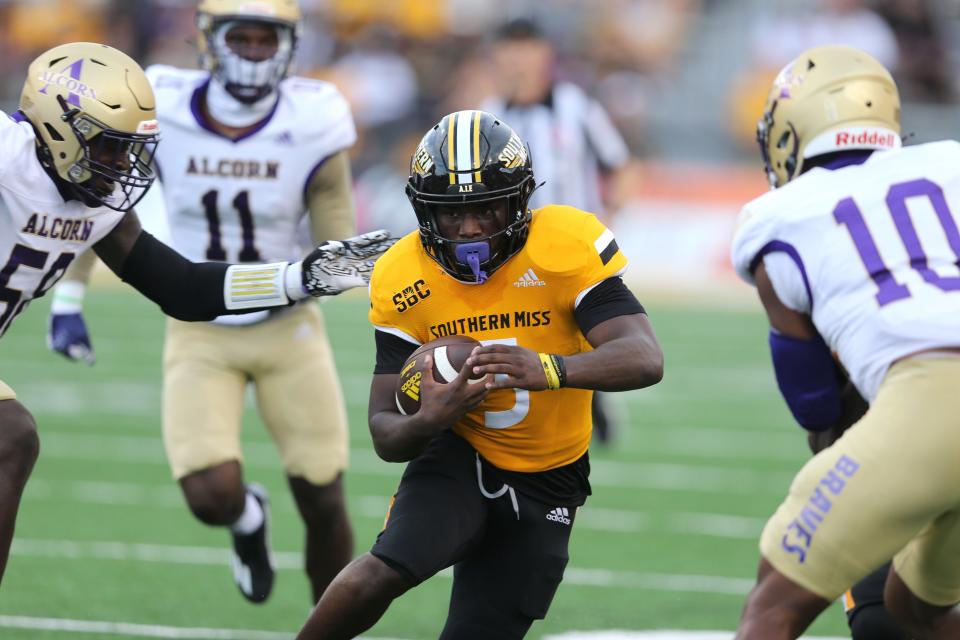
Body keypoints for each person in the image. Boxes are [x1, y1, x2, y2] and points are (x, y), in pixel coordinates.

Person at [0, 41, 392, 589]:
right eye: (110, 147)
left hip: (285, 334)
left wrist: (298, 277)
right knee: (10, 434)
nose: (122, 167)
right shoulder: (8, 154)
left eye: (129, 150)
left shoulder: (94, 206)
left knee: (10, 436)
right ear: (61, 128)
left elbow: (182, 286)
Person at [295, 110, 663, 639]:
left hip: (550, 478)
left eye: (486, 210)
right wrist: (428, 420)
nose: (469, 229)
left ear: (519, 202)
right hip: (458, 454)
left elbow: (644, 356)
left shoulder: (564, 244)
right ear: (425, 212)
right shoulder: (403, 274)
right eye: (451, 215)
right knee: (379, 573)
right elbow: (383, 431)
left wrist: (552, 368)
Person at [732, 44, 960, 639]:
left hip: (930, 402)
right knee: (915, 611)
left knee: (771, 611)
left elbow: (815, 405)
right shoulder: (951, 163)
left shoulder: (778, 217)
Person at [481, 18, 634, 445]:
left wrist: (607, 220)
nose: (518, 59)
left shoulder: (577, 106)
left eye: (526, 48)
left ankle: (596, 399)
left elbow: (618, 164)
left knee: (592, 329)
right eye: (510, 48)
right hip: (514, 247)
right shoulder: (489, 113)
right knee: (528, 330)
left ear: (545, 53)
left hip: (574, 244)